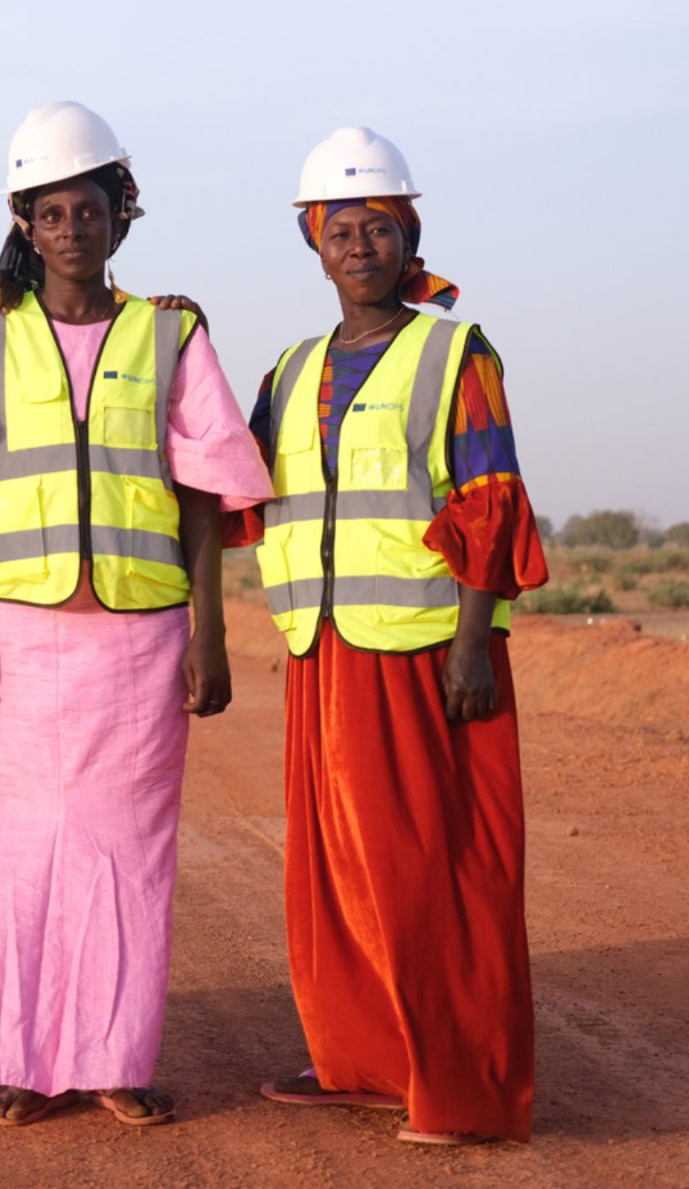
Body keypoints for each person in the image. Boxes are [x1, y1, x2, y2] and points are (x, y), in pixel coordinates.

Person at [0, 102, 271, 1129]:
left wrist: (210, 631)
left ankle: (115, 1059)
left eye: (88, 208)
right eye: (50, 213)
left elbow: (203, 492)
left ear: (120, 213)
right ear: (27, 224)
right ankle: (20, 1060)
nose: (71, 229)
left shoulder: (171, 330)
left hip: (141, 635)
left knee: (129, 852)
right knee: (21, 852)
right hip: (19, 634)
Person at [240, 128, 546, 1146]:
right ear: (311, 243)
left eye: (378, 226)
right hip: (321, 650)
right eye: (340, 228)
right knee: (336, 869)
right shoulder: (289, 368)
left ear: (407, 235)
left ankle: (464, 1092)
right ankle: (368, 1060)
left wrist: (473, 640)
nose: (358, 244)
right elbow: (228, 480)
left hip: (422, 652)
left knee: (432, 871)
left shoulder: (456, 351)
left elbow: (489, 499)